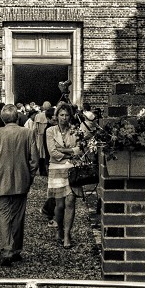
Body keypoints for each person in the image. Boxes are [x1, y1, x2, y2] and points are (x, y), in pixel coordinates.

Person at [0, 104, 38, 265]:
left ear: (2, 119)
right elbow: (34, 159)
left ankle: (7, 250)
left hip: (1, 179)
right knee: (18, 216)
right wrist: (30, 176)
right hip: (21, 179)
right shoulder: (27, 133)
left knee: (4, 216)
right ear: (17, 117)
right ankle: (17, 249)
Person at [45, 103, 82, 250]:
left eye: (66, 115)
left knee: (70, 202)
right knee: (59, 205)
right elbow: (53, 152)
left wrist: (65, 150)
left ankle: (67, 234)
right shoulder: (50, 131)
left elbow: (79, 150)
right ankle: (59, 228)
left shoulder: (74, 130)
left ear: (70, 116)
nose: (64, 118)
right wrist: (70, 153)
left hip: (73, 169)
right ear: (57, 116)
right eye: (61, 115)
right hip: (57, 168)